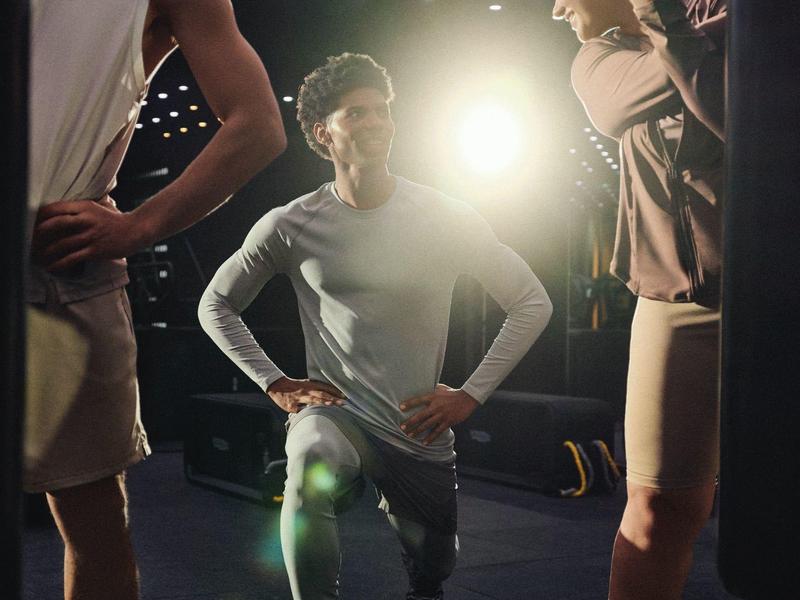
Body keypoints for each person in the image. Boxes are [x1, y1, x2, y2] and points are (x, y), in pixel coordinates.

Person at [198, 52, 553, 600]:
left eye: (382, 111)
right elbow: (215, 304)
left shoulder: (445, 216)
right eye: (356, 113)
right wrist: (274, 382)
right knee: (309, 462)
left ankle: (424, 579)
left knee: (436, 565)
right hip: (337, 416)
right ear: (323, 132)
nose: (376, 123)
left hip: (418, 427)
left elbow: (531, 301)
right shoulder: (291, 224)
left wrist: (471, 395)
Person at [25, 1, 287, 599]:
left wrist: (140, 226)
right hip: (62, 273)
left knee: (93, 523)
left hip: (58, 265)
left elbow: (258, 123)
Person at [551, 0, 725, 598]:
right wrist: (693, 38)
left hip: (778, 286)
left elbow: (731, 108)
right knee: (657, 507)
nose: (556, 9)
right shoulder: (597, 57)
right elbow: (623, 104)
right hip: (676, 305)